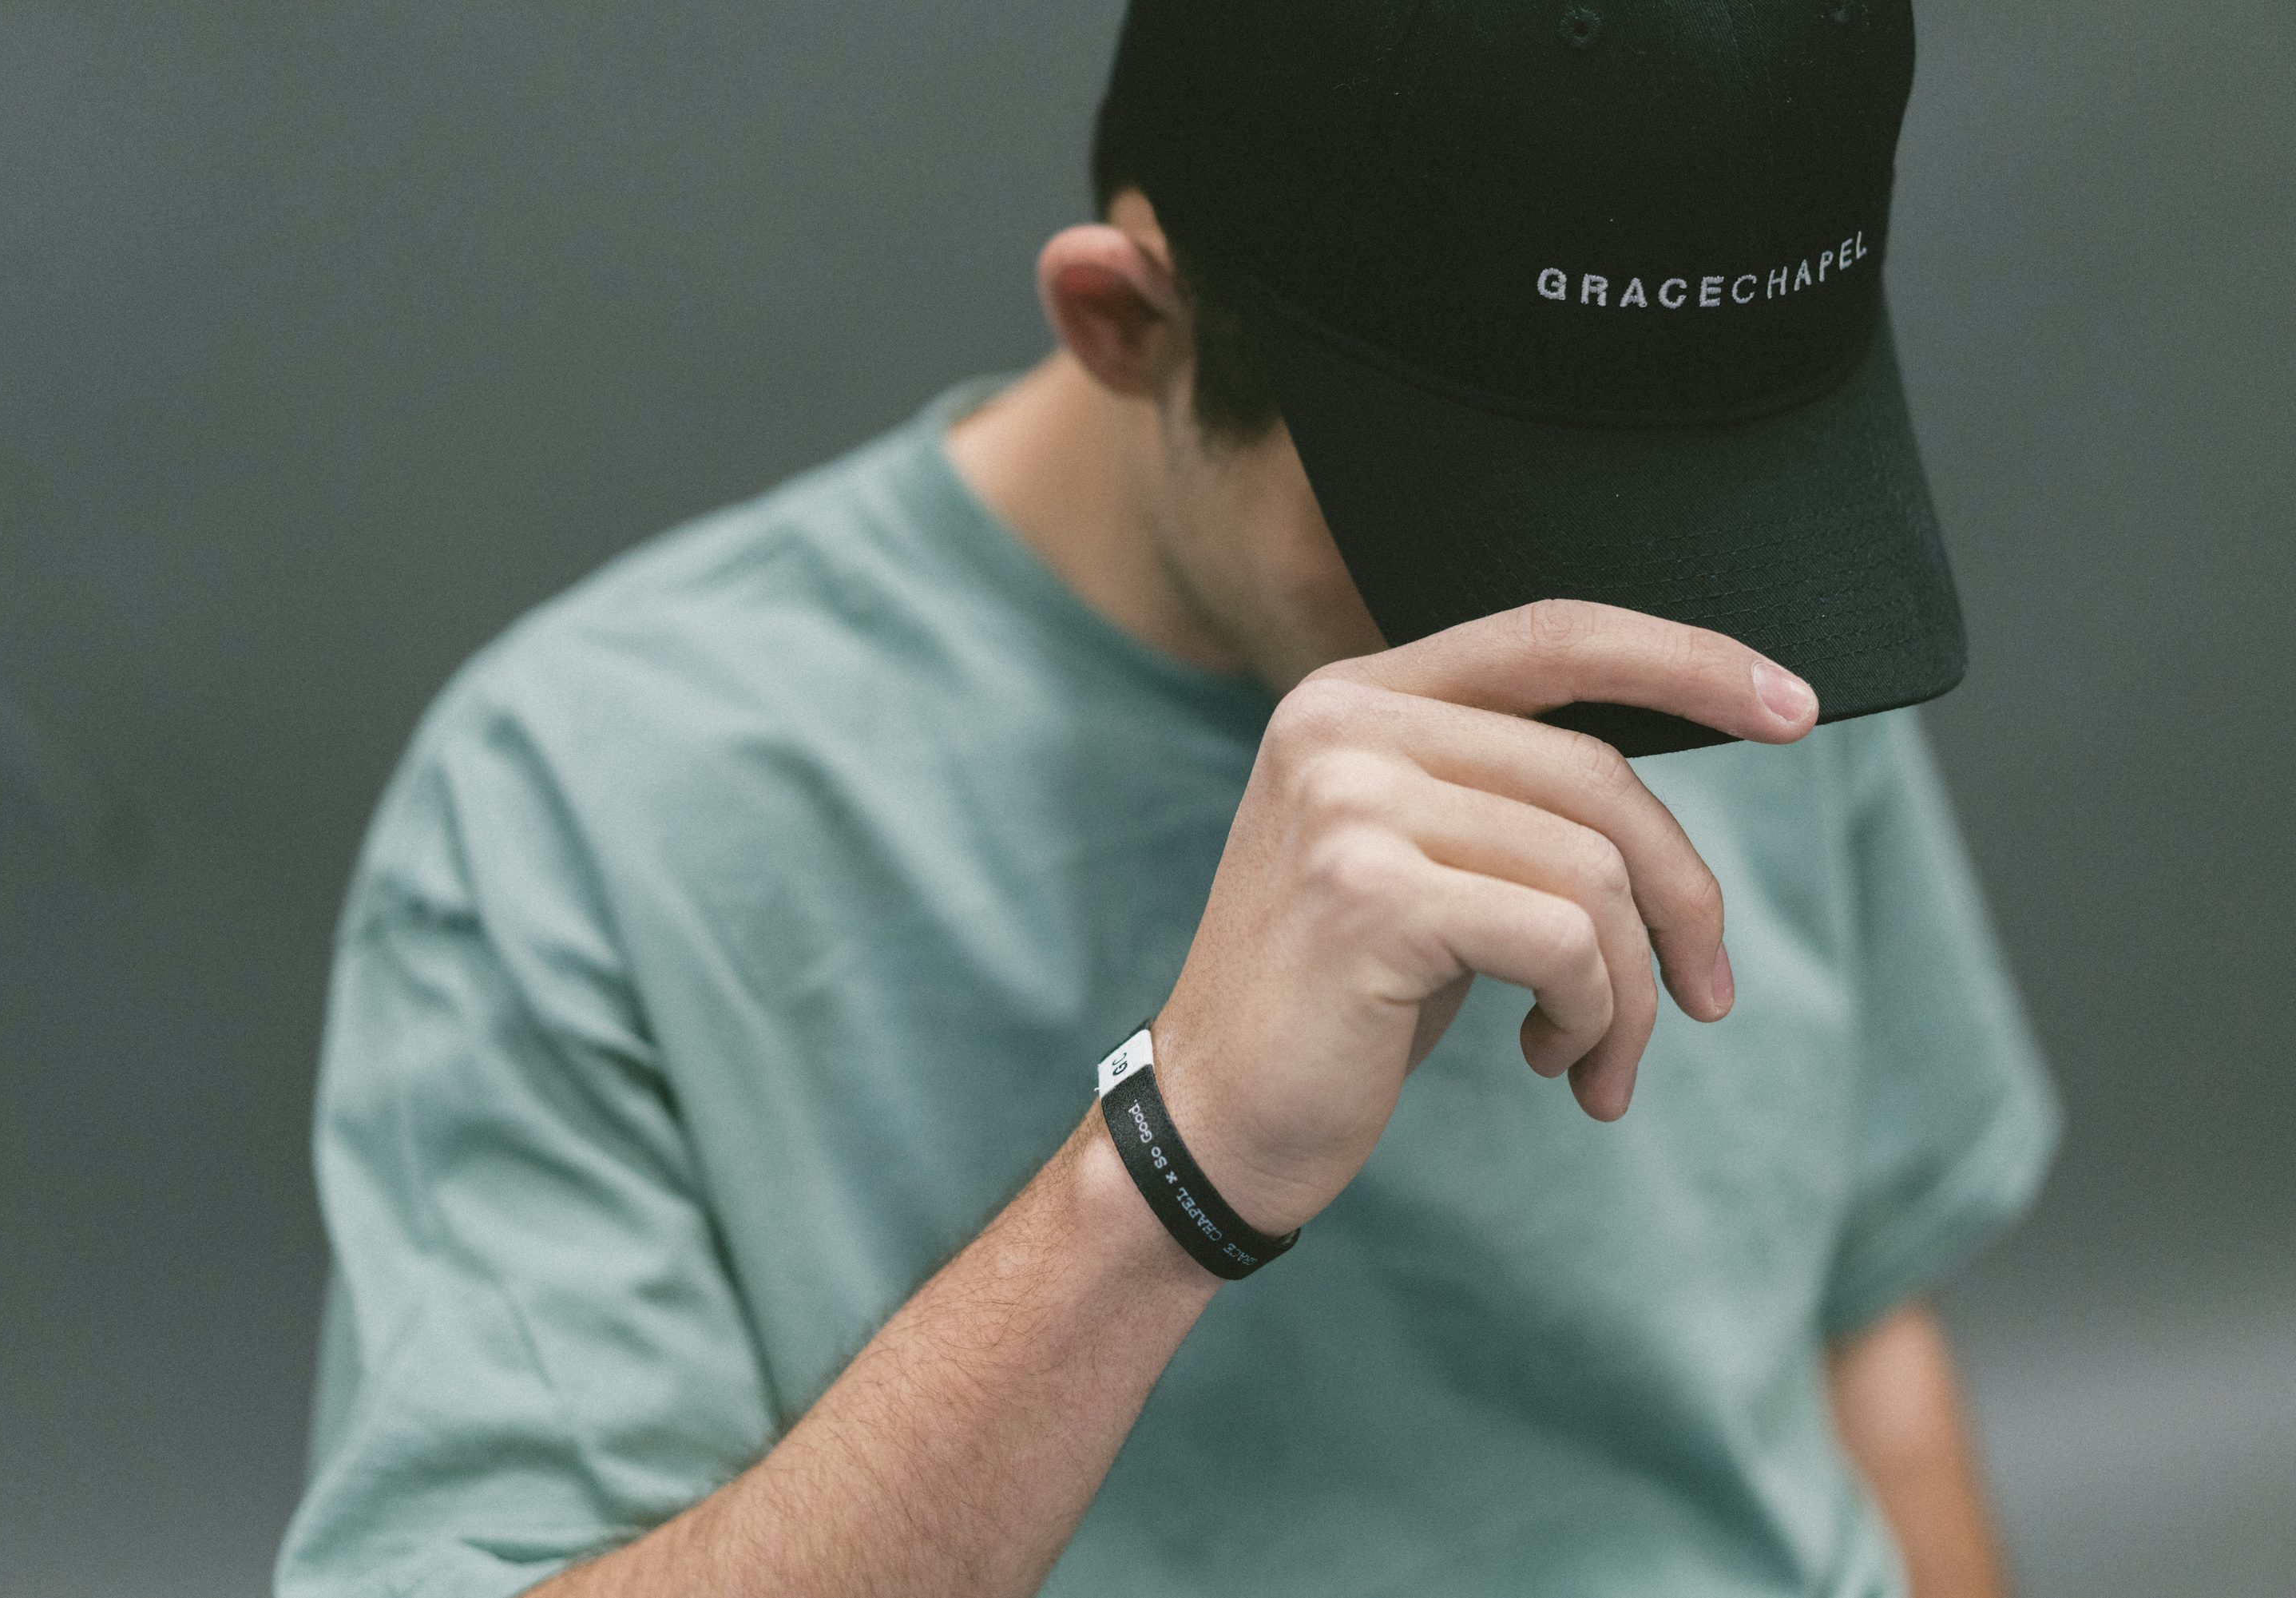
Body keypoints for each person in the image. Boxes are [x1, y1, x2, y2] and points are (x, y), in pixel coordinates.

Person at [278, 3, 2057, 1595]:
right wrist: (1171, 1169)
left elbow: (1859, 1333)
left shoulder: (1724, 633)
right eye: (1480, 533)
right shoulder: (593, 795)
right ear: (1127, 322)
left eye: (1691, 519)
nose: (1609, 639)